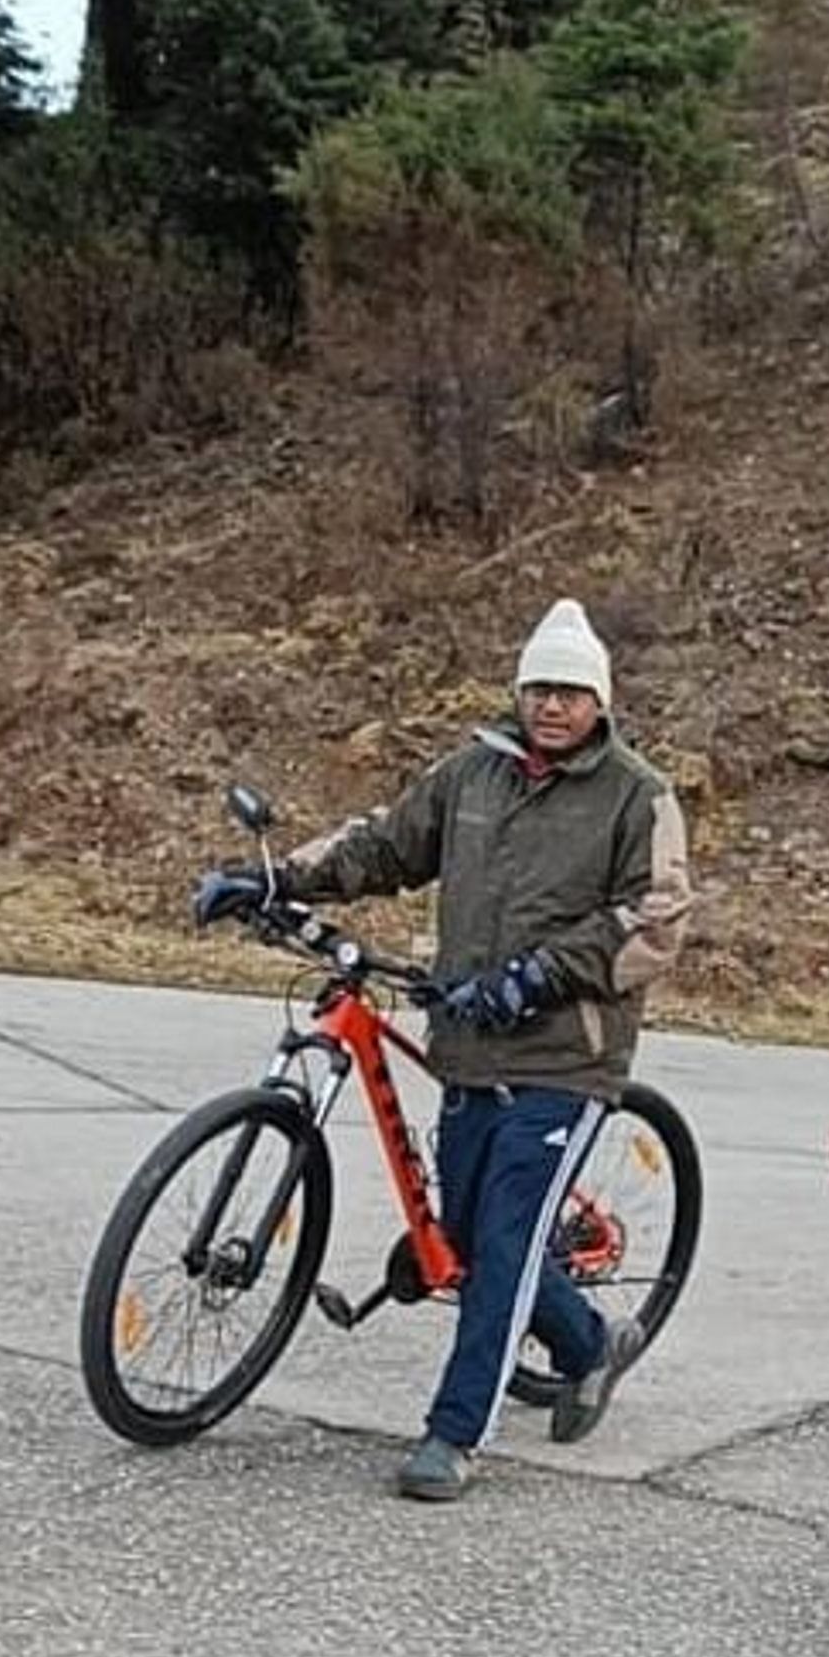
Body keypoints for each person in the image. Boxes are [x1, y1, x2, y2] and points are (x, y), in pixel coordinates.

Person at [194, 599, 691, 1502]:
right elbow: (386, 846)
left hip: (565, 1061)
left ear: (601, 702)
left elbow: (654, 924)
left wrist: (537, 976)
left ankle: (455, 1434)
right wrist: (271, 880)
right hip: (469, 1046)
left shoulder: (637, 794)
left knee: (502, 1241)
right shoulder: (472, 773)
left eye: (571, 692)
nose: (552, 705)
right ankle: (591, 1344)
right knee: (465, 1236)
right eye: (539, 687)